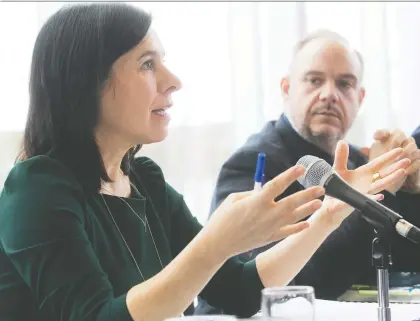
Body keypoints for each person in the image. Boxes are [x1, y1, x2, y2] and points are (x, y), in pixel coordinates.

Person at [0, 5, 409, 321]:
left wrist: (329, 218)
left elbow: (240, 290)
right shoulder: (37, 188)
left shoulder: (143, 178)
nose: (172, 79)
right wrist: (215, 244)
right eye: (148, 64)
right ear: (88, 81)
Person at [195, 30, 420, 315]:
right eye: (314, 80)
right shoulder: (253, 162)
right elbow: (291, 287)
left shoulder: (356, 159)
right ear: (287, 89)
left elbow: (404, 255)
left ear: (359, 98)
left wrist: (410, 185)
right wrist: (381, 188)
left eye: (344, 84)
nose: (329, 94)